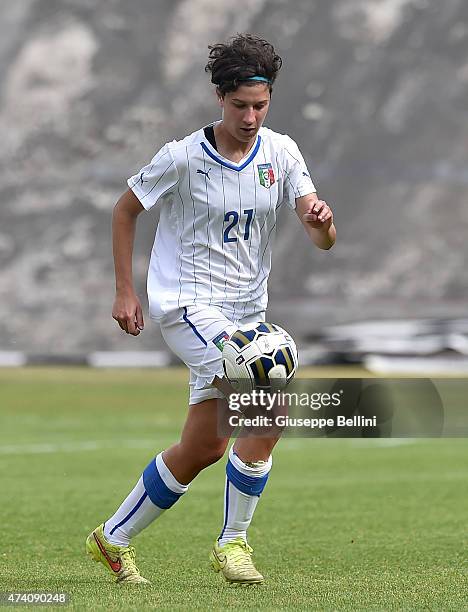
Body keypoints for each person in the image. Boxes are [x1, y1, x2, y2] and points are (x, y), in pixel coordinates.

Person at [86, 33, 335, 585]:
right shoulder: (181, 157)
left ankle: (113, 536)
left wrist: (322, 223)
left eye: (261, 105)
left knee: (205, 444)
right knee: (265, 376)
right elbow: (125, 210)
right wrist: (126, 290)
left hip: (247, 310)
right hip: (188, 305)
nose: (251, 117)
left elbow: (321, 237)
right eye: (241, 105)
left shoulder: (282, 151)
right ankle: (234, 543)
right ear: (220, 97)